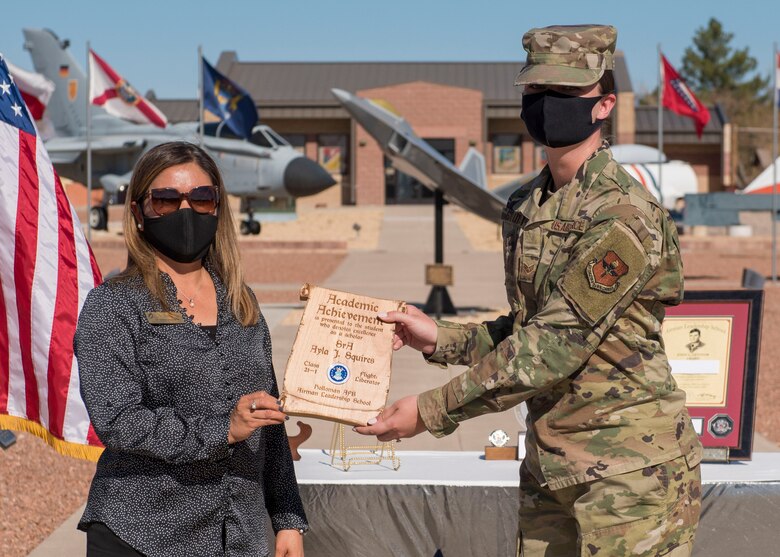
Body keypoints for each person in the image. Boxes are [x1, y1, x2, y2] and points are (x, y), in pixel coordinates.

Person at [357, 24, 703, 556]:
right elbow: (528, 330)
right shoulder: (527, 205)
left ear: (604, 104)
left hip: (630, 476)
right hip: (551, 466)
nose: (546, 106)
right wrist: (439, 339)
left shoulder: (624, 214)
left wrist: (430, 410)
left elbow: (554, 346)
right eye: (535, 93)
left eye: (565, 94)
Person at [74, 142, 307, 557]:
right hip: (144, 535)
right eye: (165, 200)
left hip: (240, 536)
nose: (186, 211)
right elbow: (119, 420)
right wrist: (224, 430)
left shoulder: (242, 302)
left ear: (217, 208)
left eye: (202, 198)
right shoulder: (112, 304)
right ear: (139, 214)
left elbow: (268, 422)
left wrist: (287, 519)